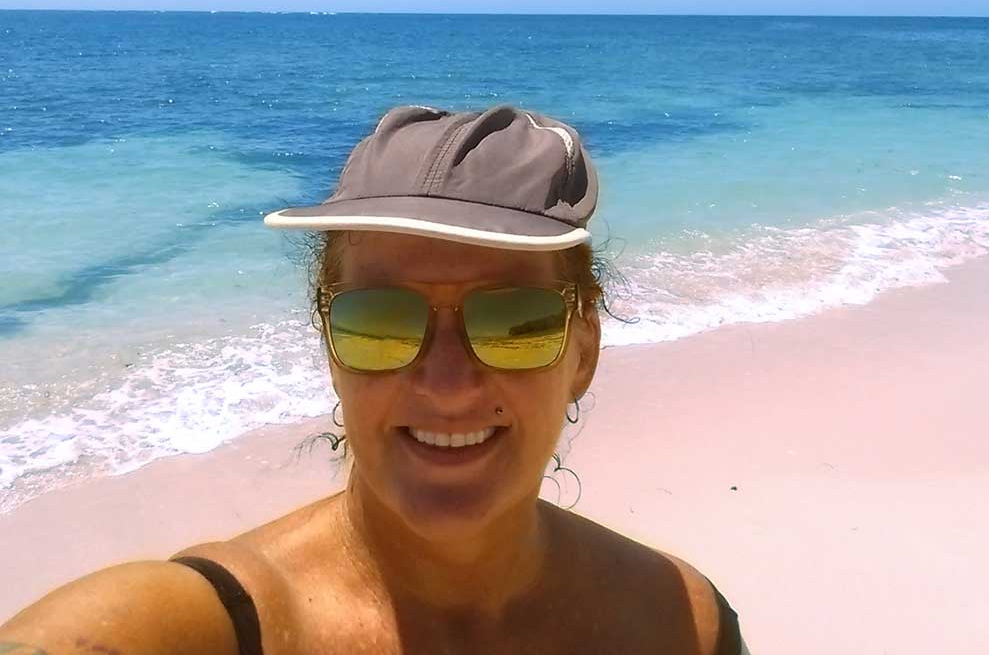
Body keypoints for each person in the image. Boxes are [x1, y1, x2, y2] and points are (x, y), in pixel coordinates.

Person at [0, 105, 747, 654]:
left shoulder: (685, 627)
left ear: (582, 351)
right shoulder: (213, 628)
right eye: (381, 319)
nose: (448, 384)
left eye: (516, 321)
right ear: (331, 344)